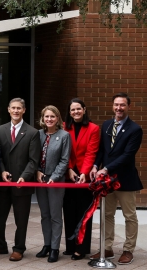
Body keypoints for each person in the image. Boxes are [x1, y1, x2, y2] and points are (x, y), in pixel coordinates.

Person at [90, 92, 143, 265]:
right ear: (112, 106)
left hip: (125, 180)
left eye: (122, 105)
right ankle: (107, 248)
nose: (119, 108)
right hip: (106, 182)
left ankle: (128, 249)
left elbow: (128, 155)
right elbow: (102, 151)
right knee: (107, 214)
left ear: (128, 106)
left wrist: (106, 168)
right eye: (116, 105)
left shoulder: (135, 129)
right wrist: (95, 166)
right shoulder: (106, 125)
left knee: (129, 216)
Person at [0, 97, 41, 261]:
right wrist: (2, 171)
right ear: (8, 109)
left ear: (24, 110)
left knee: (21, 220)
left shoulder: (32, 133)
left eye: (19, 108)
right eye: (13, 108)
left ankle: (19, 248)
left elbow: (34, 161)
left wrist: (24, 177)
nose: (16, 111)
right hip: (3, 182)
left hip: (22, 184)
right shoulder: (0, 129)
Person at [62, 98, 99, 260]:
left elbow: (91, 152)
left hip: (85, 176)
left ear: (84, 110)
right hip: (68, 174)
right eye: (72, 110)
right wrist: (69, 169)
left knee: (83, 213)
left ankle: (82, 248)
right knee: (69, 211)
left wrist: (84, 172)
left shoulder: (93, 128)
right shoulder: (64, 127)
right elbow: (64, 151)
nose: (75, 112)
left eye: (78, 109)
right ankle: (70, 246)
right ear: (69, 112)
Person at [34, 105, 70, 263]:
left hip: (56, 179)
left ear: (58, 118)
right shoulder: (38, 134)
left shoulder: (64, 136)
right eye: (46, 116)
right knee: (45, 214)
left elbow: (64, 160)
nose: (49, 119)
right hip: (40, 178)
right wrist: (37, 171)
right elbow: (33, 156)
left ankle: (55, 248)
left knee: (55, 215)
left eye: (52, 116)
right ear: (42, 118)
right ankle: (46, 245)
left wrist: (54, 177)